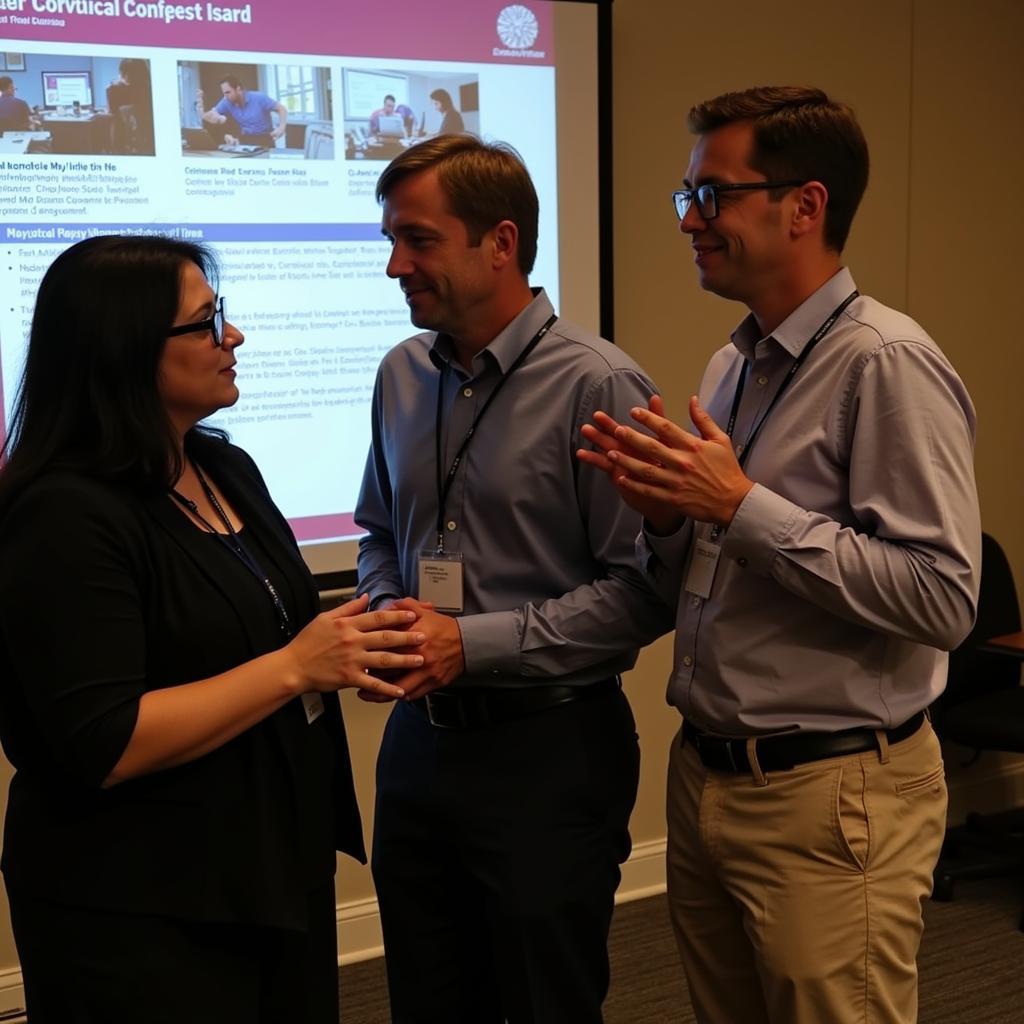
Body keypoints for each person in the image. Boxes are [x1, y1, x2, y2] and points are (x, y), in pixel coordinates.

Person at [579, 85, 981, 1023]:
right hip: (710, 776)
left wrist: (742, 506)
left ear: (804, 206)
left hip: (835, 796)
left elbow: (944, 599)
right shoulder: (736, 362)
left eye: (711, 196)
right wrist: (675, 517)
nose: (690, 220)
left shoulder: (886, 362)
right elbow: (724, 557)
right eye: (687, 196)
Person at [0, 235, 427, 1023]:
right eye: (206, 322)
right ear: (125, 350)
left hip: (266, 869)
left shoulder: (224, 466)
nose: (231, 338)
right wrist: (298, 667)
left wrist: (361, 646)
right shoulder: (62, 514)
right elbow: (107, 739)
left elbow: (262, 624)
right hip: (141, 900)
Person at [355, 134, 673, 1023]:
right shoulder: (399, 375)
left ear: (500, 243)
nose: (394, 267)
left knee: (545, 1000)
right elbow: (380, 532)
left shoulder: (600, 386)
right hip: (419, 747)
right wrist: (392, 617)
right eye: (391, 241)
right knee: (426, 996)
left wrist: (472, 643)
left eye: (417, 241)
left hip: (550, 752)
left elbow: (646, 590)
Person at [196, 75, 287, 147]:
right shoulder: (227, 101)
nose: (225, 96)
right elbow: (213, 114)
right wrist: (202, 112)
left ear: (238, 89)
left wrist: (281, 128)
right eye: (223, 93)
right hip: (245, 140)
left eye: (228, 92)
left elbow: (282, 109)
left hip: (265, 140)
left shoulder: (259, 98)